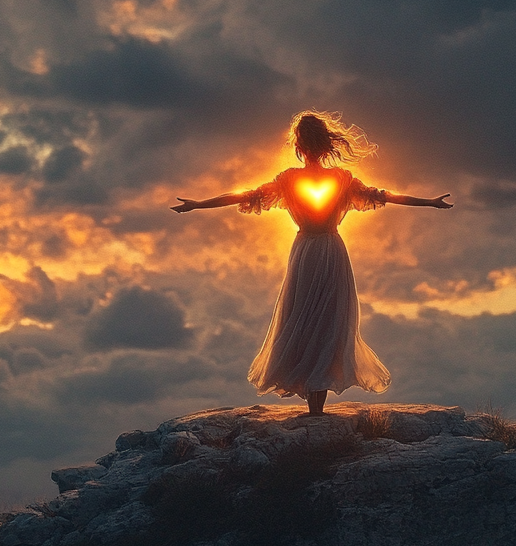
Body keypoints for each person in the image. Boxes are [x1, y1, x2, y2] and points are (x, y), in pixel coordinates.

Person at [173, 111, 452, 415]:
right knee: (328, 320)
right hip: (331, 250)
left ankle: (314, 404)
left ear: (300, 147)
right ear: (324, 145)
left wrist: (199, 204)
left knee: (306, 319)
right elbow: (386, 195)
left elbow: (242, 194)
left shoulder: (291, 179)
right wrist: (429, 201)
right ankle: (316, 402)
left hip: (306, 251)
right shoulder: (340, 179)